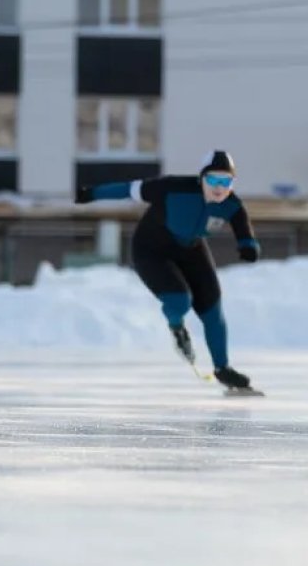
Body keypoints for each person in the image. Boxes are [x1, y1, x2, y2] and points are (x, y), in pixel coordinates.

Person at [76, 151, 261, 393]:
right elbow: (128, 189)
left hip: (191, 250)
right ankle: (177, 327)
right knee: (179, 300)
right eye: (213, 180)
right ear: (201, 179)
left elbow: (244, 229)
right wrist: (90, 194)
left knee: (213, 311)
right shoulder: (172, 188)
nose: (219, 188)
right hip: (151, 249)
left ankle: (222, 368)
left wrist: (248, 246)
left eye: (225, 181)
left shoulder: (232, 205)